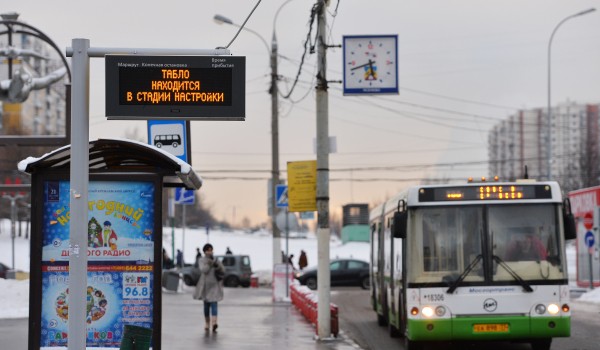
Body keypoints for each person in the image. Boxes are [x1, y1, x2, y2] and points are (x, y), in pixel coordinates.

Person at [193, 243, 225, 332]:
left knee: (214, 304)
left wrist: (217, 265)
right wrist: (209, 264)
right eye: (208, 250)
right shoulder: (201, 260)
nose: (209, 252)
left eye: (211, 250)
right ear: (204, 251)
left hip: (215, 285)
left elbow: (222, 269)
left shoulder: (216, 259)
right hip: (205, 285)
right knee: (206, 305)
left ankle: (214, 323)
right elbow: (204, 270)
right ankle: (207, 323)